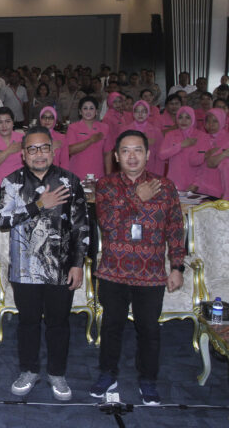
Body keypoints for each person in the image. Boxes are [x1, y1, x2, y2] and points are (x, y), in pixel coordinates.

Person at [91, 130, 185, 406]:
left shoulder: (165, 186)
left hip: (151, 272)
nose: (132, 156)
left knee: (149, 329)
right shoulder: (106, 185)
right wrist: (136, 197)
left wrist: (177, 266)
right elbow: (107, 223)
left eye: (138, 150)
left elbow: (176, 229)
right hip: (113, 270)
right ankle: (108, 373)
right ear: (117, 156)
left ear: (147, 154)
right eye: (126, 151)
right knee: (111, 326)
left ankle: (148, 379)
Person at [0, 126, 89, 401]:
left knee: (59, 323)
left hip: (60, 269)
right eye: (33, 149)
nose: (39, 154)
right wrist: (38, 204)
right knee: (28, 322)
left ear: (53, 150)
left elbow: (81, 227)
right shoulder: (10, 182)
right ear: (23, 154)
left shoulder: (70, 181)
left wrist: (77, 263)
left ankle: (57, 373)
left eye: (44, 147)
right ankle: (28, 370)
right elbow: (2, 220)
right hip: (24, 269)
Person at [158, 106, 208, 191]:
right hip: (174, 182)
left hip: (194, 184)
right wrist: (181, 145)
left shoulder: (202, 136)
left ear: (193, 118)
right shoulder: (170, 135)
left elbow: (204, 163)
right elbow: (162, 155)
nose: (183, 121)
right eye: (180, 117)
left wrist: (196, 183)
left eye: (187, 117)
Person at [66, 96, 110, 181]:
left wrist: (108, 176)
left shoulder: (104, 127)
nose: (88, 111)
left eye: (91, 108)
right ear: (80, 111)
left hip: (97, 172)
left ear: (96, 111)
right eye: (85, 108)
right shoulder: (73, 127)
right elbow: (70, 150)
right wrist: (91, 140)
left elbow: (108, 153)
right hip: (77, 172)